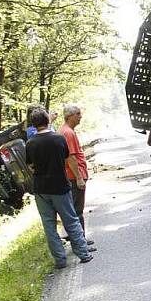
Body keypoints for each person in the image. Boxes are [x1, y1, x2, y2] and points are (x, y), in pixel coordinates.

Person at [25, 108, 93, 268]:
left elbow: (30, 166)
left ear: (34, 124)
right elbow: (69, 159)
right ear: (47, 120)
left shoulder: (30, 143)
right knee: (71, 220)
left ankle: (60, 260)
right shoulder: (58, 138)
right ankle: (83, 254)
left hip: (40, 189)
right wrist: (78, 177)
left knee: (49, 225)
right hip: (60, 185)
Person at [59, 104, 94, 247]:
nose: (80, 117)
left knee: (75, 209)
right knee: (77, 210)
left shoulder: (66, 131)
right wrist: (79, 177)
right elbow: (71, 157)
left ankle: (81, 240)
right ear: (70, 116)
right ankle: (80, 243)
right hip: (73, 177)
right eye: (78, 114)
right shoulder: (68, 133)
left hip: (73, 175)